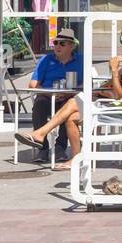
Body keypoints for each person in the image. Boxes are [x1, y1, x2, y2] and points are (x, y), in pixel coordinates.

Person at [16, 43, 122, 169]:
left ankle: (40, 133)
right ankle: (75, 158)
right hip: (111, 105)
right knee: (71, 117)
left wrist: (113, 72)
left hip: (121, 110)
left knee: (72, 102)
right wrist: (111, 82)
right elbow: (108, 86)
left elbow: (120, 94)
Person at [26, 28, 83, 163]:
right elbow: (33, 84)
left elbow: (87, 83)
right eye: (55, 43)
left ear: (71, 46)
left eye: (62, 44)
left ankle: (60, 148)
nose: (57, 46)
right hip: (47, 96)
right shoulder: (46, 60)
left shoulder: (81, 60)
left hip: (69, 97)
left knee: (69, 107)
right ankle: (43, 148)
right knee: (39, 104)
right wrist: (50, 92)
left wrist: (71, 92)